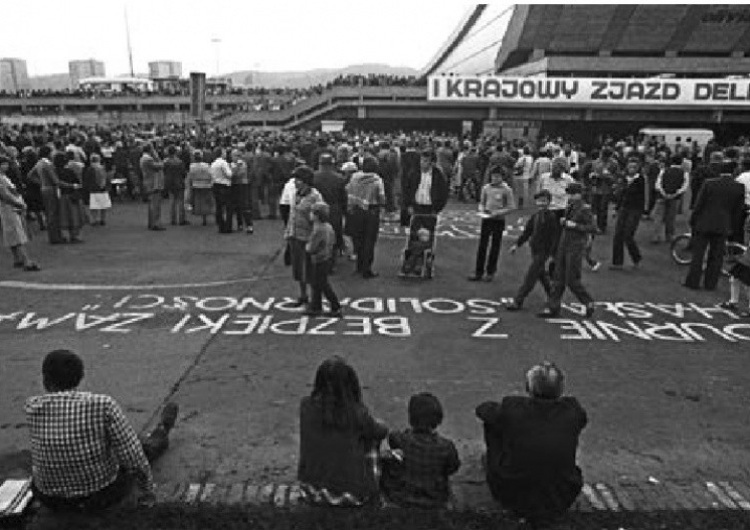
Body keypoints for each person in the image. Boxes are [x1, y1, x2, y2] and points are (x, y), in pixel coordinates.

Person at [26, 350, 178, 514]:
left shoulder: (32, 406)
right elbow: (133, 457)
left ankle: (154, 435)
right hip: (99, 496)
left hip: (50, 499)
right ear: (80, 377)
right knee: (137, 447)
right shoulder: (102, 404)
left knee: (109, 445)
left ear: (45, 380)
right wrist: (147, 492)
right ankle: (161, 431)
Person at [475, 362, 587, 525]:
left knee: (493, 423)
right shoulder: (573, 410)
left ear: (529, 387)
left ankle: (497, 461)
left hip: (511, 492)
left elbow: (482, 410)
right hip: (562, 493)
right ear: (560, 389)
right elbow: (581, 420)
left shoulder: (512, 407)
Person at [298, 357, 387, 506]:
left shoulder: (306, 406)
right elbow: (380, 431)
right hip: (352, 493)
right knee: (371, 441)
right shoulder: (356, 413)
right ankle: (369, 487)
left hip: (311, 489)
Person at [380, 392, 460, 508]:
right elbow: (452, 468)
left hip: (400, 497)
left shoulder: (398, 438)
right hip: (434, 499)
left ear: (411, 417)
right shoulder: (446, 446)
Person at [684, 158, 745, 291]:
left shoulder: (709, 184)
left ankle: (692, 282)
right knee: (716, 257)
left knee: (698, 255)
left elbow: (699, 204)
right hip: (723, 225)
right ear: (734, 171)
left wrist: (693, 220)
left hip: (704, 222)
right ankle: (710, 284)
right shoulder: (739, 187)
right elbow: (737, 211)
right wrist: (732, 228)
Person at [537, 182, 596, 318]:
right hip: (564, 243)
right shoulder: (570, 206)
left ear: (579, 194)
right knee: (558, 277)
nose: (570, 196)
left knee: (572, 279)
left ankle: (588, 302)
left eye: (572, 194)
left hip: (575, 245)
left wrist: (575, 225)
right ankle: (553, 307)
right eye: (569, 193)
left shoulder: (585, 209)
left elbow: (592, 228)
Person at [505, 190, 558, 311]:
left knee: (531, 275)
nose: (541, 203)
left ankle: (518, 300)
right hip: (534, 248)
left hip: (544, 251)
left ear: (549, 202)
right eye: (539, 201)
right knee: (540, 274)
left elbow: (554, 236)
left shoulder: (551, 217)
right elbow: (527, 232)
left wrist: (553, 253)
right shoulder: (536, 216)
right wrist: (517, 245)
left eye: (544, 201)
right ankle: (552, 294)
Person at [285, 165, 324, 307]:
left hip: (308, 238)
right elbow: (292, 215)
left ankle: (315, 300)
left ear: (306, 181)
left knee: (310, 271)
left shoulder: (315, 196)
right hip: (295, 236)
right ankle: (303, 295)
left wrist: (317, 239)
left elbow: (321, 218)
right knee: (298, 269)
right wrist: (288, 233)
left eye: (298, 179)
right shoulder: (297, 194)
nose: (295, 182)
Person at [468, 166, 515, 282]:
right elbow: (482, 202)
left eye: (498, 176)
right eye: (493, 176)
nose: (495, 179)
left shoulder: (506, 190)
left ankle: (490, 271)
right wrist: (482, 209)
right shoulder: (486, 188)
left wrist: (498, 212)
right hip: (487, 218)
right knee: (482, 245)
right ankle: (478, 271)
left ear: (502, 177)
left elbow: (511, 207)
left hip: (498, 220)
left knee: (495, 246)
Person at [346, 157, 386, 278]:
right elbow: (382, 198)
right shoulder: (376, 180)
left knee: (358, 238)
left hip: (356, 210)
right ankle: (366, 269)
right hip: (371, 211)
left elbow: (348, 190)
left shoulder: (354, 177)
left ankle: (359, 265)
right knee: (369, 240)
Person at [0, 155, 40, 271]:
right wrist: (19, 204)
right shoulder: (1, 178)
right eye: (4, 164)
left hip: (8, 208)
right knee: (17, 234)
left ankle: (17, 259)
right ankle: (27, 261)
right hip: (9, 208)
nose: (6, 166)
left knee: (11, 234)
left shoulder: (4, 177)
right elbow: (5, 195)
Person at [610, 156, 649, 270]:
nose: (631, 169)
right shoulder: (624, 179)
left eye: (634, 167)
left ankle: (636, 257)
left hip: (635, 209)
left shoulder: (641, 179)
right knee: (618, 235)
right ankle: (617, 262)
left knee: (628, 234)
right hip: (624, 207)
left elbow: (645, 196)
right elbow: (621, 195)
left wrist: (645, 210)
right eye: (630, 166)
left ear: (638, 168)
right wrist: (616, 209)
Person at [304, 203, 342, 318]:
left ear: (317, 215)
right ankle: (316, 306)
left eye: (312, 212)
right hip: (327, 258)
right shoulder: (328, 226)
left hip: (319, 259)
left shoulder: (318, 230)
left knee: (322, 284)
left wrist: (307, 246)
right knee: (317, 283)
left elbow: (311, 247)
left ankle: (335, 306)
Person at [313, 154, 347, 263]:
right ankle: (332, 260)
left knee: (317, 234)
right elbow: (343, 198)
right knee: (334, 234)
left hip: (317, 209)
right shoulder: (339, 178)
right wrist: (344, 210)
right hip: (334, 209)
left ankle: (319, 259)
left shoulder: (313, 177)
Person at [31, 145, 67, 244]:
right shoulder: (47, 164)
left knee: (50, 213)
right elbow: (56, 181)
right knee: (53, 214)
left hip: (44, 188)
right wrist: (71, 185)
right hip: (51, 189)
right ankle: (55, 237)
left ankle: (56, 236)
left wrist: (41, 183)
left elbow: (30, 175)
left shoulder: (39, 163)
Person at [650, 154, 688, 244]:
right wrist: (675, 193)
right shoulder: (684, 173)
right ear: (681, 162)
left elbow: (658, 184)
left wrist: (664, 193)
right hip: (675, 198)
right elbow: (684, 187)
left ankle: (656, 235)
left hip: (662, 196)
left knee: (658, 217)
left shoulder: (664, 171)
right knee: (671, 217)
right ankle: (669, 236)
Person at [403, 150, 449, 220]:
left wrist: (437, 209)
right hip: (416, 207)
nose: (422, 163)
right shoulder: (414, 173)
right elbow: (407, 190)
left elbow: (443, 193)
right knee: (414, 229)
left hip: (431, 209)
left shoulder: (438, 175)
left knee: (429, 229)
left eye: (425, 161)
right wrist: (409, 205)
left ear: (432, 163)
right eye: (421, 160)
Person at [54, 152, 84, 244]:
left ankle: (65, 235)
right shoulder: (69, 171)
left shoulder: (55, 171)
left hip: (61, 196)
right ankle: (74, 236)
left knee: (64, 217)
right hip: (71, 196)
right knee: (74, 216)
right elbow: (78, 182)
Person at [588, 148, 619, 234]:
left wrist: (608, 176)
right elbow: (590, 174)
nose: (602, 158)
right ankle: (595, 225)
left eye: (605, 156)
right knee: (595, 208)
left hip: (606, 189)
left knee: (603, 208)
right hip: (596, 188)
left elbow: (616, 177)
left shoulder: (614, 164)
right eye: (602, 155)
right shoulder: (595, 162)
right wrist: (593, 176)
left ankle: (602, 227)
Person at [184, 150, 214, 226]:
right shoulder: (207, 166)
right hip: (206, 185)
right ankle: (205, 217)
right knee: (206, 202)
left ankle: (200, 215)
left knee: (199, 202)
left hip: (196, 185)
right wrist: (211, 183)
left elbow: (189, 177)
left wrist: (189, 185)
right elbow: (211, 175)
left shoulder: (192, 166)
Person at [140, 143, 165, 231]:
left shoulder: (143, 158)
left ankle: (152, 222)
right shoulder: (148, 159)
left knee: (151, 204)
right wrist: (157, 156)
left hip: (148, 182)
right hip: (154, 183)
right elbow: (160, 165)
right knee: (155, 204)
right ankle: (156, 223)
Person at [82, 154, 111, 227]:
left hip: (93, 189)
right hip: (103, 189)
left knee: (94, 206)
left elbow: (87, 180)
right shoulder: (102, 168)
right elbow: (107, 178)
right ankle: (102, 219)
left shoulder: (89, 169)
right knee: (103, 206)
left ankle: (94, 220)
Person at [163, 146, 188, 226]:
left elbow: (164, 172)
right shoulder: (179, 162)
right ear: (175, 152)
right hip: (179, 182)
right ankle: (181, 219)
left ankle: (173, 219)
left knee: (172, 201)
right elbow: (184, 173)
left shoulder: (165, 162)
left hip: (169, 183)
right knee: (181, 201)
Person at [210, 148, 233, 234]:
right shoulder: (223, 163)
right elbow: (229, 174)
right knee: (228, 207)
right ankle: (228, 227)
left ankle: (221, 226)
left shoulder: (213, 164)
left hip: (216, 185)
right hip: (224, 185)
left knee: (219, 207)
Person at [230, 149, 253, 234]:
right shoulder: (232, 164)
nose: (232, 157)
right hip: (234, 185)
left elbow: (238, 174)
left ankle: (249, 225)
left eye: (233, 155)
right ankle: (240, 224)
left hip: (242, 185)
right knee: (237, 206)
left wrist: (235, 169)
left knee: (244, 205)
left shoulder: (242, 164)